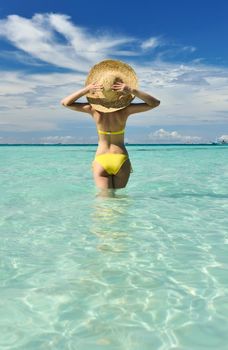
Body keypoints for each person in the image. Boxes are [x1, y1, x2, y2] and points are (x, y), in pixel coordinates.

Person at [61, 59, 160, 190]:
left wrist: (86, 90)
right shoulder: (125, 110)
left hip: (101, 159)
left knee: (104, 204)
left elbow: (65, 103)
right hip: (121, 158)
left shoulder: (93, 110)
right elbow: (155, 103)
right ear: (120, 94)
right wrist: (131, 90)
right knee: (120, 202)